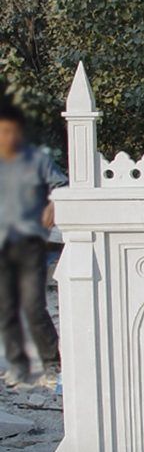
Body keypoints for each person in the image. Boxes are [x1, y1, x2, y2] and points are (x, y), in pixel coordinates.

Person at [0, 101, 65, 389]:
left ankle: (53, 365)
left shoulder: (36, 160)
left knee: (33, 306)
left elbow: (62, 185)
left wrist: (53, 204)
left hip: (30, 243)